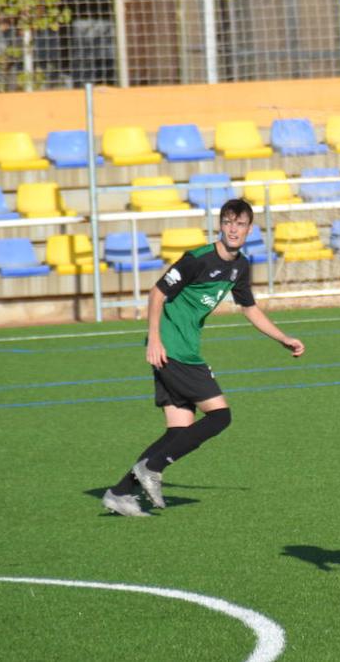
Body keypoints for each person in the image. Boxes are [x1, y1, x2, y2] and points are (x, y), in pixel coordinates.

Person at [101, 198, 305, 516]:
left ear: (249, 229)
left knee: (179, 430)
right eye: (227, 222)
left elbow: (249, 308)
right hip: (172, 348)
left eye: (239, 224)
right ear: (219, 225)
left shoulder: (240, 266)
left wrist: (282, 338)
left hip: (185, 347)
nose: (233, 229)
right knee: (220, 416)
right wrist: (154, 339)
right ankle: (152, 468)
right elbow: (157, 293)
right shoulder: (197, 259)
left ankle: (120, 492)